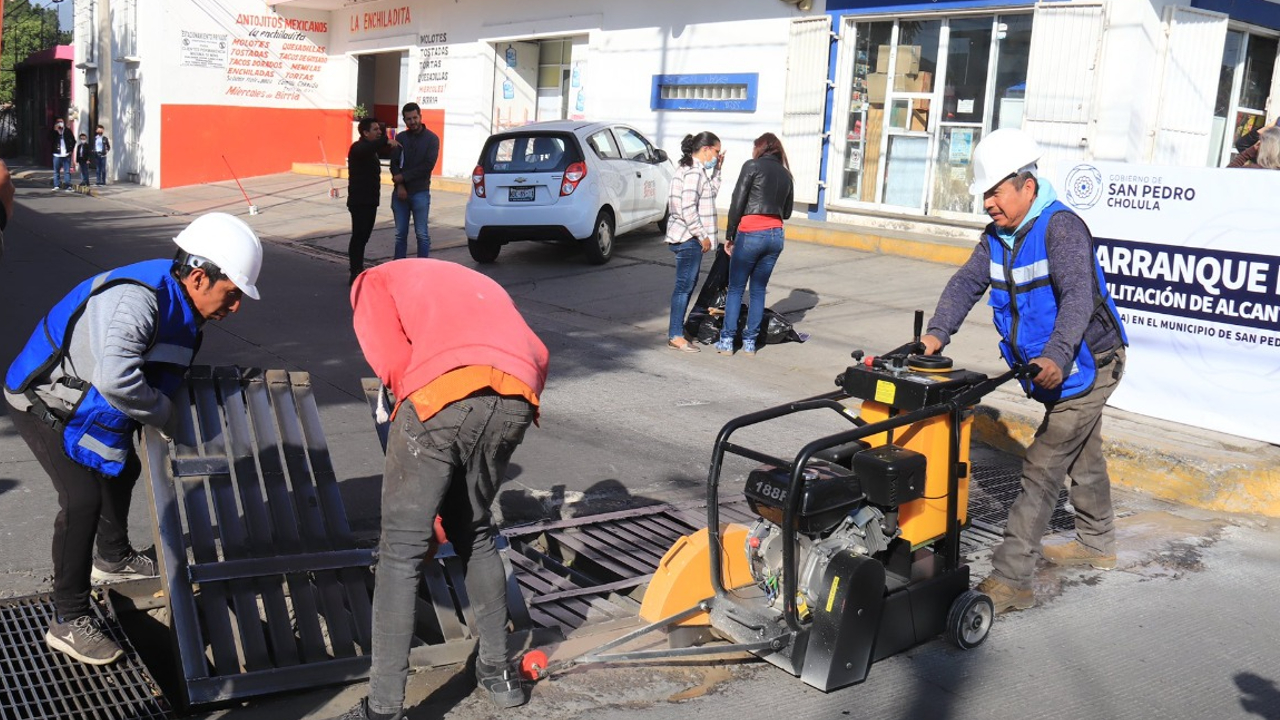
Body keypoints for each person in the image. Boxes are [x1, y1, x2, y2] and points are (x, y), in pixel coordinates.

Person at [3, 213, 264, 665]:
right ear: (199, 277)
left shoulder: (184, 305)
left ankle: (113, 558)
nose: (236, 307)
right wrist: (168, 417)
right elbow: (118, 380)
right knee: (81, 499)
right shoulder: (137, 300)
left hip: (84, 405)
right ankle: (67, 618)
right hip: (42, 399)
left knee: (124, 468)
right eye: (233, 293)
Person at [918, 128, 1128, 613]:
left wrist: (1056, 354)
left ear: (1026, 186)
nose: (988, 203)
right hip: (1051, 366)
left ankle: (1013, 578)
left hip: (1089, 361)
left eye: (994, 192)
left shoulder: (1061, 228)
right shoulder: (996, 237)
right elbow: (965, 283)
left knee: (1042, 464)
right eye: (985, 194)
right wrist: (935, 334)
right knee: (1083, 452)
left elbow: (1078, 295)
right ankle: (1098, 544)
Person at [341, 259, 548, 720]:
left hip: (442, 395)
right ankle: (499, 673)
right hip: (517, 390)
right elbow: (536, 352)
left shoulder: (372, 281)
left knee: (400, 553)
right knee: (475, 532)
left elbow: (392, 363)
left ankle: (383, 708)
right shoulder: (474, 281)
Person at [716, 133, 794, 356]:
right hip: (775, 235)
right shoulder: (786, 175)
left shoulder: (752, 166)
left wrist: (730, 235)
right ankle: (750, 343)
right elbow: (786, 212)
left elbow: (737, 201)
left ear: (760, 148)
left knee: (736, 289)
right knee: (758, 290)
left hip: (751, 233)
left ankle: (727, 340)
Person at [665, 131, 724, 353]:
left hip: (689, 237)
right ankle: (675, 335)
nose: (716, 156)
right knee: (683, 288)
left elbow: (710, 194)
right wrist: (702, 235)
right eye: (716, 152)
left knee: (686, 287)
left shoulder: (696, 170)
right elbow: (687, 207)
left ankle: (677, 332)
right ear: (706, 148)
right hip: (689, 238)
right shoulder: (693, 172)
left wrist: (718, 169)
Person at [346, 118, 398, 284]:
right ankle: (355, 271)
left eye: (379, 129)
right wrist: (385, 140)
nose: (379, 132)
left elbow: (380, 149)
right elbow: (369, 148)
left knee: (364, 236)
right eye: (375, 129)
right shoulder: (358, 148)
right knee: (358, 236)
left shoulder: (371, 150)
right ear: (365, 133)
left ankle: (358, 268)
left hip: (370, 200)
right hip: (359, 200)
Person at [389, 102, 440, 259]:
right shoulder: (400, 138)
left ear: (420, 117)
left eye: (415, 117)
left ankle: (422, 269)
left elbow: (427, 166)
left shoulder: (432, 139)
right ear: (404, 120)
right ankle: (398, 269)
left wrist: (403, 177)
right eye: (409, 119)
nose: (412, 121)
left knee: (422, 234)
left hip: (421, 193)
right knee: (400, 235)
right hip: (400, 194)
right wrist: (400, 185)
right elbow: (395, 164)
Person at [50, 119, 75, 191]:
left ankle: (68, 186)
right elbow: (49, 139)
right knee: (56, 171)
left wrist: (71, 150)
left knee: (67, 171)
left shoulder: (67, 131)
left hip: (66, 154)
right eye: (58, 122)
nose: (60, 124)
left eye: (61, 122)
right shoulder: (54, 131)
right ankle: (56, 185)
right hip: (57, 154)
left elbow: (73, 141)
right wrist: (55, 131)